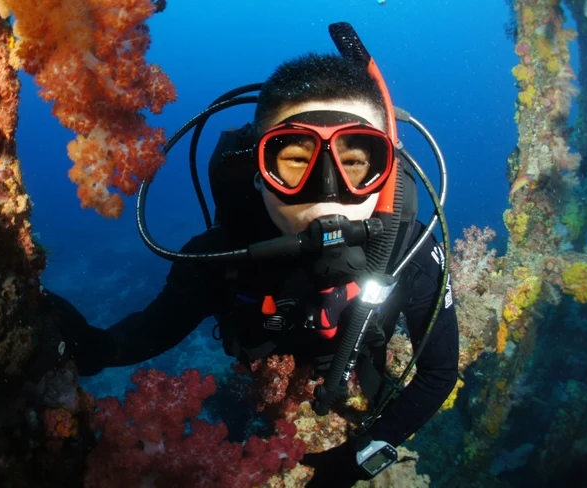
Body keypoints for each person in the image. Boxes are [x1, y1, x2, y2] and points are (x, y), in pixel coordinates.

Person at [46, 46, 459, 487]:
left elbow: (438, 372)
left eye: (355, 162)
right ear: (260, 173)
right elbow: (152, 329)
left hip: (356, 363)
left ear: (387, 172)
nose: (327, 192)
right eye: (296, 161)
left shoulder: (409, 249)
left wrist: (361, 456)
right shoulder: (219, 255)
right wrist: (93, 349)